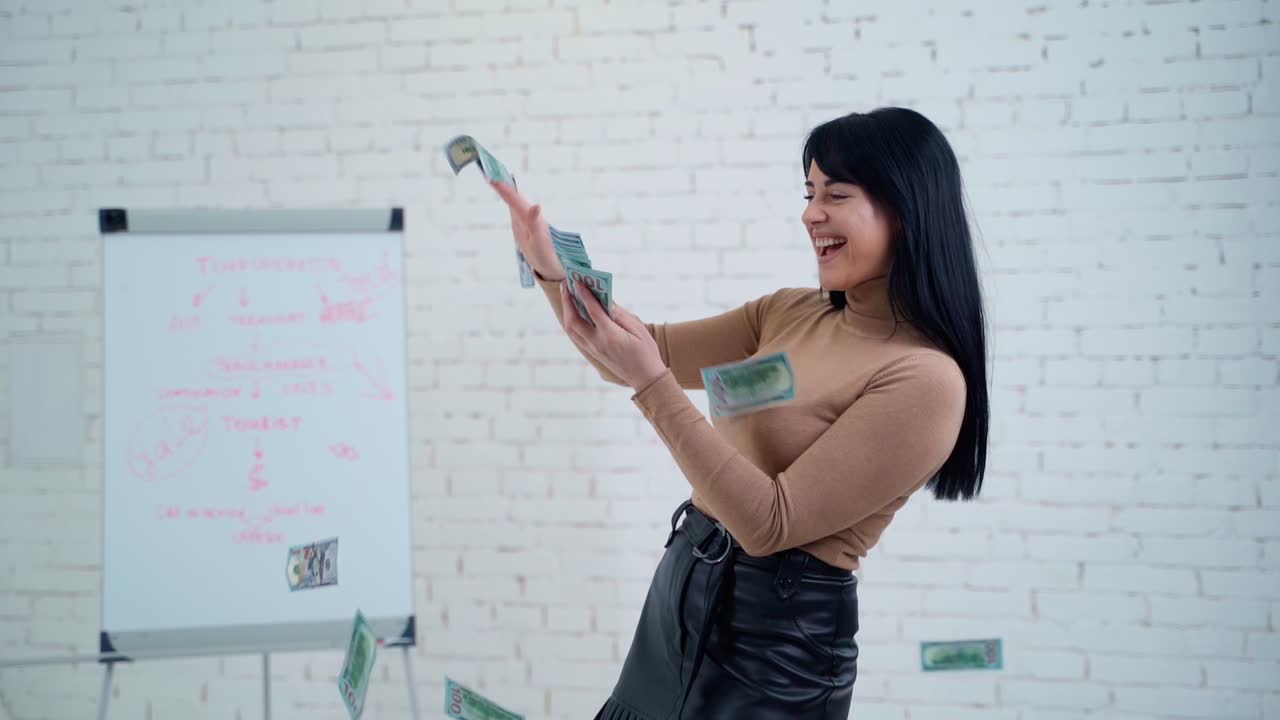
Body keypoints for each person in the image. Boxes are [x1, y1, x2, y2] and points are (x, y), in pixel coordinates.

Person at [491, 106, 989, 720]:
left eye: (836, 194)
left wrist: (651, 380)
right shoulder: (788, 313)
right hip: (681, 599)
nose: (811, 213)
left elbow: (770, 522)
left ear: (906, 209)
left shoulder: (926, 379)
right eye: (809, 193)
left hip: (775, 650)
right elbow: (645, 353)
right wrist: (548, 266)